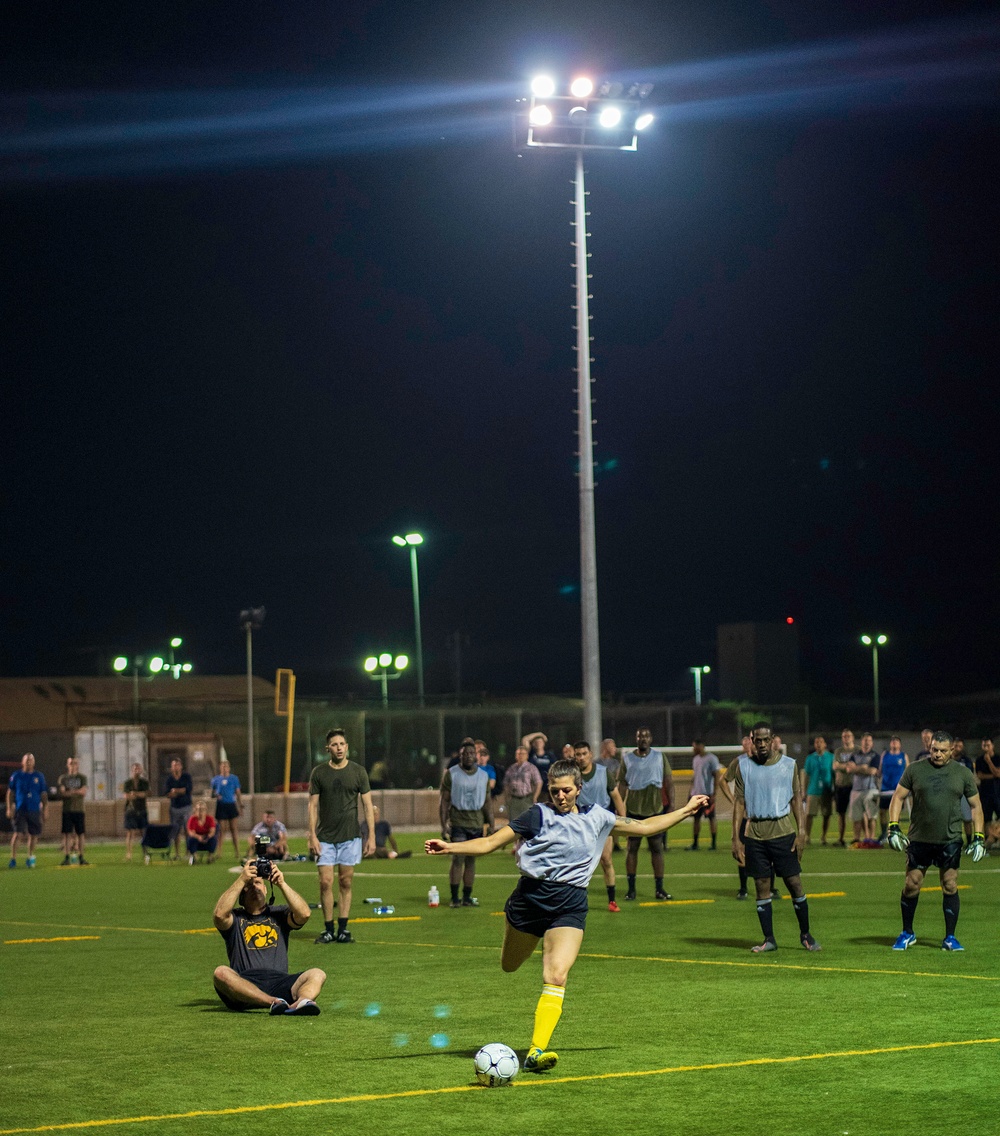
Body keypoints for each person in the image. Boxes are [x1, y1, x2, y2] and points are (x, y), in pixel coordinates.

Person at [425, 759, 709, 1073]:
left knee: (557, 975)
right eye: (555, 790)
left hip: (570, 905)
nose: (560, 796)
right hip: (529, 901)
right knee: (509, 965)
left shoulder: (598, 817)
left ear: (579, 789)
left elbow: (642, 826)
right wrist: (450, 847)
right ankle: (519, 932)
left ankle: (536, 1051)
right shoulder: (538, 815)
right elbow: (491, 842)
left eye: (567, 790)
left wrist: (685, 810)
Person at [886, 730, 984, 951]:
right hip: (919, 839)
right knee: (911, 885)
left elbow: (976, 806)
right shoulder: (915, 769)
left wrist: (978, 838)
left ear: (952, 751)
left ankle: (950, 937)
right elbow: (897, 797)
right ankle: (907, 932)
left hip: (949, 839)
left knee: (949, 884)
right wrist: (893, 827)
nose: (937, 754)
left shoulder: (963, 773)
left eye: (942, 751)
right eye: (934, 750)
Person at [731, 721, 820, 953]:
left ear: (772, 740)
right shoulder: (743, 767)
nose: (760, 744)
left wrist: (801, 833)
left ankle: (806, 935)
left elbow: (796, 801)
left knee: (794, 883)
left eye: (765, 740)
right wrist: (736, 838)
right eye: (756, 740)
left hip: (783, 833)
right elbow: (739, 804)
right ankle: (769, 939)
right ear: (751, 740)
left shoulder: (788, 765)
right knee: (762, 886)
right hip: (755, 836)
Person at [212, 860, 326, 1014]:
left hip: (280, 982)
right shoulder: (236, 918)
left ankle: (302, 1001)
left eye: (258, 883)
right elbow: (219, 915)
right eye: (249, 885)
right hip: (245, 984)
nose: (254, 886)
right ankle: (272, 1002)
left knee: (317, 973)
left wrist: (281, 883)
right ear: (241, 894)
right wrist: (241, 879)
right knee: (220, 973)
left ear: (266, 890)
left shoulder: (278, 914)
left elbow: (304, 914)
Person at [308, 729, 375, 944]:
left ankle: (343, 929)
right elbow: (312, 806)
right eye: (334, 744)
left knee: (345, 882)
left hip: (350, 836)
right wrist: (312, 835)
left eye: (342, 744)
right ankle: (328, 929)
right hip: (325, 837)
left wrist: (371, 836)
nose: (338, 747)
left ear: (347, 747)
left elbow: (367, 805)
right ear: (327, 748)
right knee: (325, 882)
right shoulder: (319, 773)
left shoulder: (358, 772)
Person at [617, 727, 674, 901]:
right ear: (636, 738)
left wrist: (671, 805)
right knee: (632, 849)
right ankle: (631, 890)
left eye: (646, 736)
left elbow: (669, 782)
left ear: (651, 739)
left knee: (657, 848)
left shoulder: (659, 757)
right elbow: (622, 785)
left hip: (655, 810)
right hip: (634, 810)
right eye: (640, 736)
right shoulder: (627, 759)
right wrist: (619, 808)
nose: (643, 739)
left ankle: (659, 889)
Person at [573, 740, 626, 911]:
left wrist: (624, 822)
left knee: (606, 860)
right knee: (578, 863)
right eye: (578, 754)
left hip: (602, 824)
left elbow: (617, 797)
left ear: (590, 754)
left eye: (584, 754)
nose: (581, 757)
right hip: (580, 825)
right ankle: (574, 900)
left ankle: (612, 901)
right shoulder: (572, 775)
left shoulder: (603, 773)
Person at [439, 738, 493, 907]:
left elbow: (487, 802)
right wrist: (443, 824)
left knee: (471, 861)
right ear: (460, 756)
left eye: (471, 753)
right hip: (459, 822)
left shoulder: (483, 776)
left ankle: (467, 897)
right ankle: (455, 898)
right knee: (458, 859)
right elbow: (444, 801)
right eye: (465, 753)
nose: (469, 756)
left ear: (475, 756)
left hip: (476, 822)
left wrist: (491, 823)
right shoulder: (452, 774)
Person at [7, 753, 48, 869]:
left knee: (33, 834)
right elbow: (10, 792)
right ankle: (13, 858)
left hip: (34, 809)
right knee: (18, 834)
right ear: (22, 762)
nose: (29, 762)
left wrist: (45, 809)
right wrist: (9, 808)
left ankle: (30, 857)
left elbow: (44, 794)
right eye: (27, 760)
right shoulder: (17, 775)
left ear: (34, 762)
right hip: (20, 809)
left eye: (31, 760)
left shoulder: (39, 776)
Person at [687, 740, 722, 851]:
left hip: (707, 794)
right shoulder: (695, 759)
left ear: (700, 746)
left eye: (694, 746)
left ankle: (713, 844)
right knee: (696, 819)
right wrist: (690, 792)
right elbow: (695, 776)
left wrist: (714, 793)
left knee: (711, 818)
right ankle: (695, 843)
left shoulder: (712, 758)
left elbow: (717, 775)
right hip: (696, 794)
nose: (693, 749)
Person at [848, 733, 881, 843]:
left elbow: (872, 771)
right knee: (856, 817)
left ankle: (870, 838)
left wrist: (856, 768)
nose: (867, 742)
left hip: (870, 789)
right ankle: (856, 838)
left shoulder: (875, 756)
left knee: (872, 815)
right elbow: (849, 769)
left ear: (872, 743)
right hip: (856, 789)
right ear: (861, 742)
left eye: (869, 740)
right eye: (865, 740)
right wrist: (863, 767)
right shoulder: (855, 755)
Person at [803, 736, 834, 845]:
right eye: (816, 742)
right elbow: (806, 775)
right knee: (809, 814)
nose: (818, 744)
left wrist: (834, 790)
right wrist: (804, 791)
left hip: (826, 791)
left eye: (821, 742)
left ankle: (824, 837)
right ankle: (807, 836)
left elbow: (834, 774)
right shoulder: (810, 758)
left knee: (826, 814)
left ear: (825, 744)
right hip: (813, 790)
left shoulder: (831, 757)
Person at [57, 756, 88, 866]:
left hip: (79, 809)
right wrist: (76, 791)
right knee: (67, 834)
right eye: (71, 763)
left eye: (75, 763)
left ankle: (81, 856)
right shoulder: (63, 778)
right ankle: (66, 856)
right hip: (67, 809)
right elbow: (63, 793)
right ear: (67, 765)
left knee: (80, 834)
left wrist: (71, 791)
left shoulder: (82, 778)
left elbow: (83, 792)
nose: (73, 765)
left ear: (77, 765)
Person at [878, 737, 909, 842]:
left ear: (900, 744)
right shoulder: (884, 755)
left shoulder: (903, 756)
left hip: (898, 790)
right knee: (882, 811)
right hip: (885, 788)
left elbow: (908, 771)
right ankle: (883, 834)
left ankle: (895, 834)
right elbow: (879, 771)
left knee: (896, 813)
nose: (894, 743)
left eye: (896, 741)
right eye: (892, 741)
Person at [210, 759, 243, 861]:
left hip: (231, 804)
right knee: (221, 829)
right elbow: (212, 793)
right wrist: (216, 795)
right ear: (220, 768)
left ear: (229, 768)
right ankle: (219, 852)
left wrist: (240, 805)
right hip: (221, 805)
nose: (224, 768)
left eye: (226, 766)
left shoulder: (234, 779)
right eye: (222, 766)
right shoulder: (215, 780)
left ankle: (237, 851)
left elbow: (237, 792)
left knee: (234, 828)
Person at [503, 745, 543, 825]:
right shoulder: (512, 768)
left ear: (527, 755)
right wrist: (507, 796)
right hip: (514, 799)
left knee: (527, 823)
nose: (520, 756)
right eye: (518, 754)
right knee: (513, 823)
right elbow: (506, 783)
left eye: (523, 754)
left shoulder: (531, 768)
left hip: (526, 799)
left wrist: (535, 797)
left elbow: (539, 782)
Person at [164, 758, 194, 861]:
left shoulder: (186, 777)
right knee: (176, 831)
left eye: (177, 765)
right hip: (174, 808)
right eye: (173, 765)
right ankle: (177, 853)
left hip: (186, 807)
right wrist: (179, 791)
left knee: (188, 830)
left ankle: (188, 851)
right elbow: (167, 793)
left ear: (181, 766)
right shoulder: (169, 779)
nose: (175, 767)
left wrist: (176, 791)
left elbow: (188, 790)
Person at [831, 729, 856, 846]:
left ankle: (857, 838)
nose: (846, 738)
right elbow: (835, 766)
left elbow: (857, 766)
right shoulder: (838, 751)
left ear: (852, 738)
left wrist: (843, 766)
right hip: (840, 785)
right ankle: (841, 839)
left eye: (848, 736)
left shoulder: (858, 750)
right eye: (844, 736)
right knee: (841, 813)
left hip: (854, 785)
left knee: (856, 814)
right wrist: (847, 766)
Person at [122, 763, 150, 862]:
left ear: (141, 770)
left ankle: (145, 852)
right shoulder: (128, 783)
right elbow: (126, 795)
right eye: (134, 769)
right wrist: (133, 795)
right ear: (131, 770)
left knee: (144, 832)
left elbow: (145, 794)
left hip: (142, 809)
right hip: (130, 810)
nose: (136, 771)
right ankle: (129, 853)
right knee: (130, 832)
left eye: (138, 769)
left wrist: (135, 794)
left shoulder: (144, 782)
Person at [953, 739, 976, 844]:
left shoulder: (966, 760)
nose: (958, 748)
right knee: (952, 820)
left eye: (960, 746)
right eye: (956, 746)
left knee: (967, 819)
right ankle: (955, 842)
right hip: (950, 793)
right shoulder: (947, 759)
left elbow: (970, 776)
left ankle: (969, 842)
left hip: (963, 793)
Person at [975, 737, 999, 827]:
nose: (986, 748)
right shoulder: (979, 760)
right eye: (984, 745)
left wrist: (989, 762)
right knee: (986, 819)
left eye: (988, 745)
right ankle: (987, 838)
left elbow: (998, 773)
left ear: (992, 746)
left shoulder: (997, 758)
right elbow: (980, 776)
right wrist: (994, 775)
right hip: (985, 793)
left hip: (998, 792)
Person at [186, 799, 218, 864]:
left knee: (213, 839)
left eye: (202, 810)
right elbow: (191, 832)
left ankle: (210, 857)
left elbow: (212, 831)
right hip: (196, 838)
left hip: (206, 838)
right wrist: (198, 837)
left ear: (205, 810)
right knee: (191, 839)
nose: (200, 812)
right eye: (198, 810)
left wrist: (207, 837)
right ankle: (194, 857)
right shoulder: (192, 819)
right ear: (195, 810)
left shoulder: (210, 819)